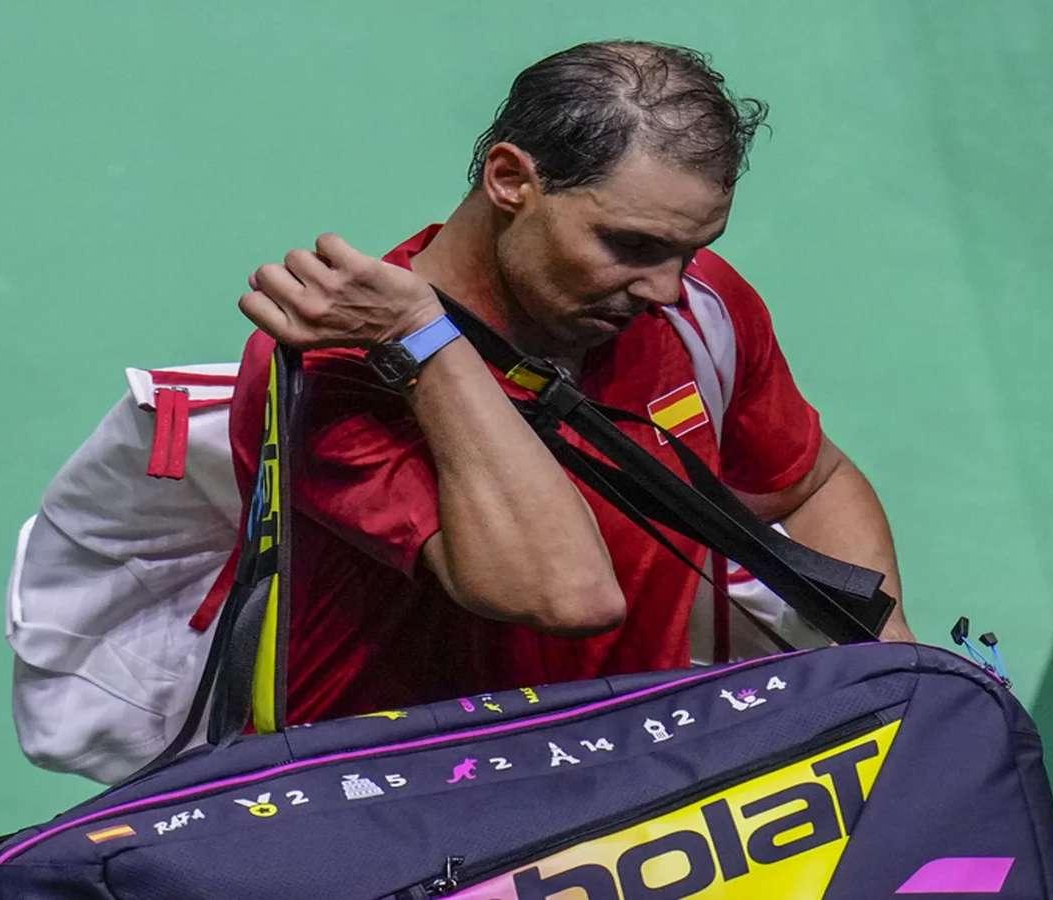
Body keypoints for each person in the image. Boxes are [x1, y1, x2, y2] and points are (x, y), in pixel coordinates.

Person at [231, 40, 912, 725]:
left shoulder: (697, 313)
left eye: (691, 250)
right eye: (631, 245)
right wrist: (426, 340)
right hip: (405, 800)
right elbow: (567, 595)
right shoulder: (334, 366)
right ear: (510, 180)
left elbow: (811, 481)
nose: (668, 288)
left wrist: (889, 662)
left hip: (632, 780)